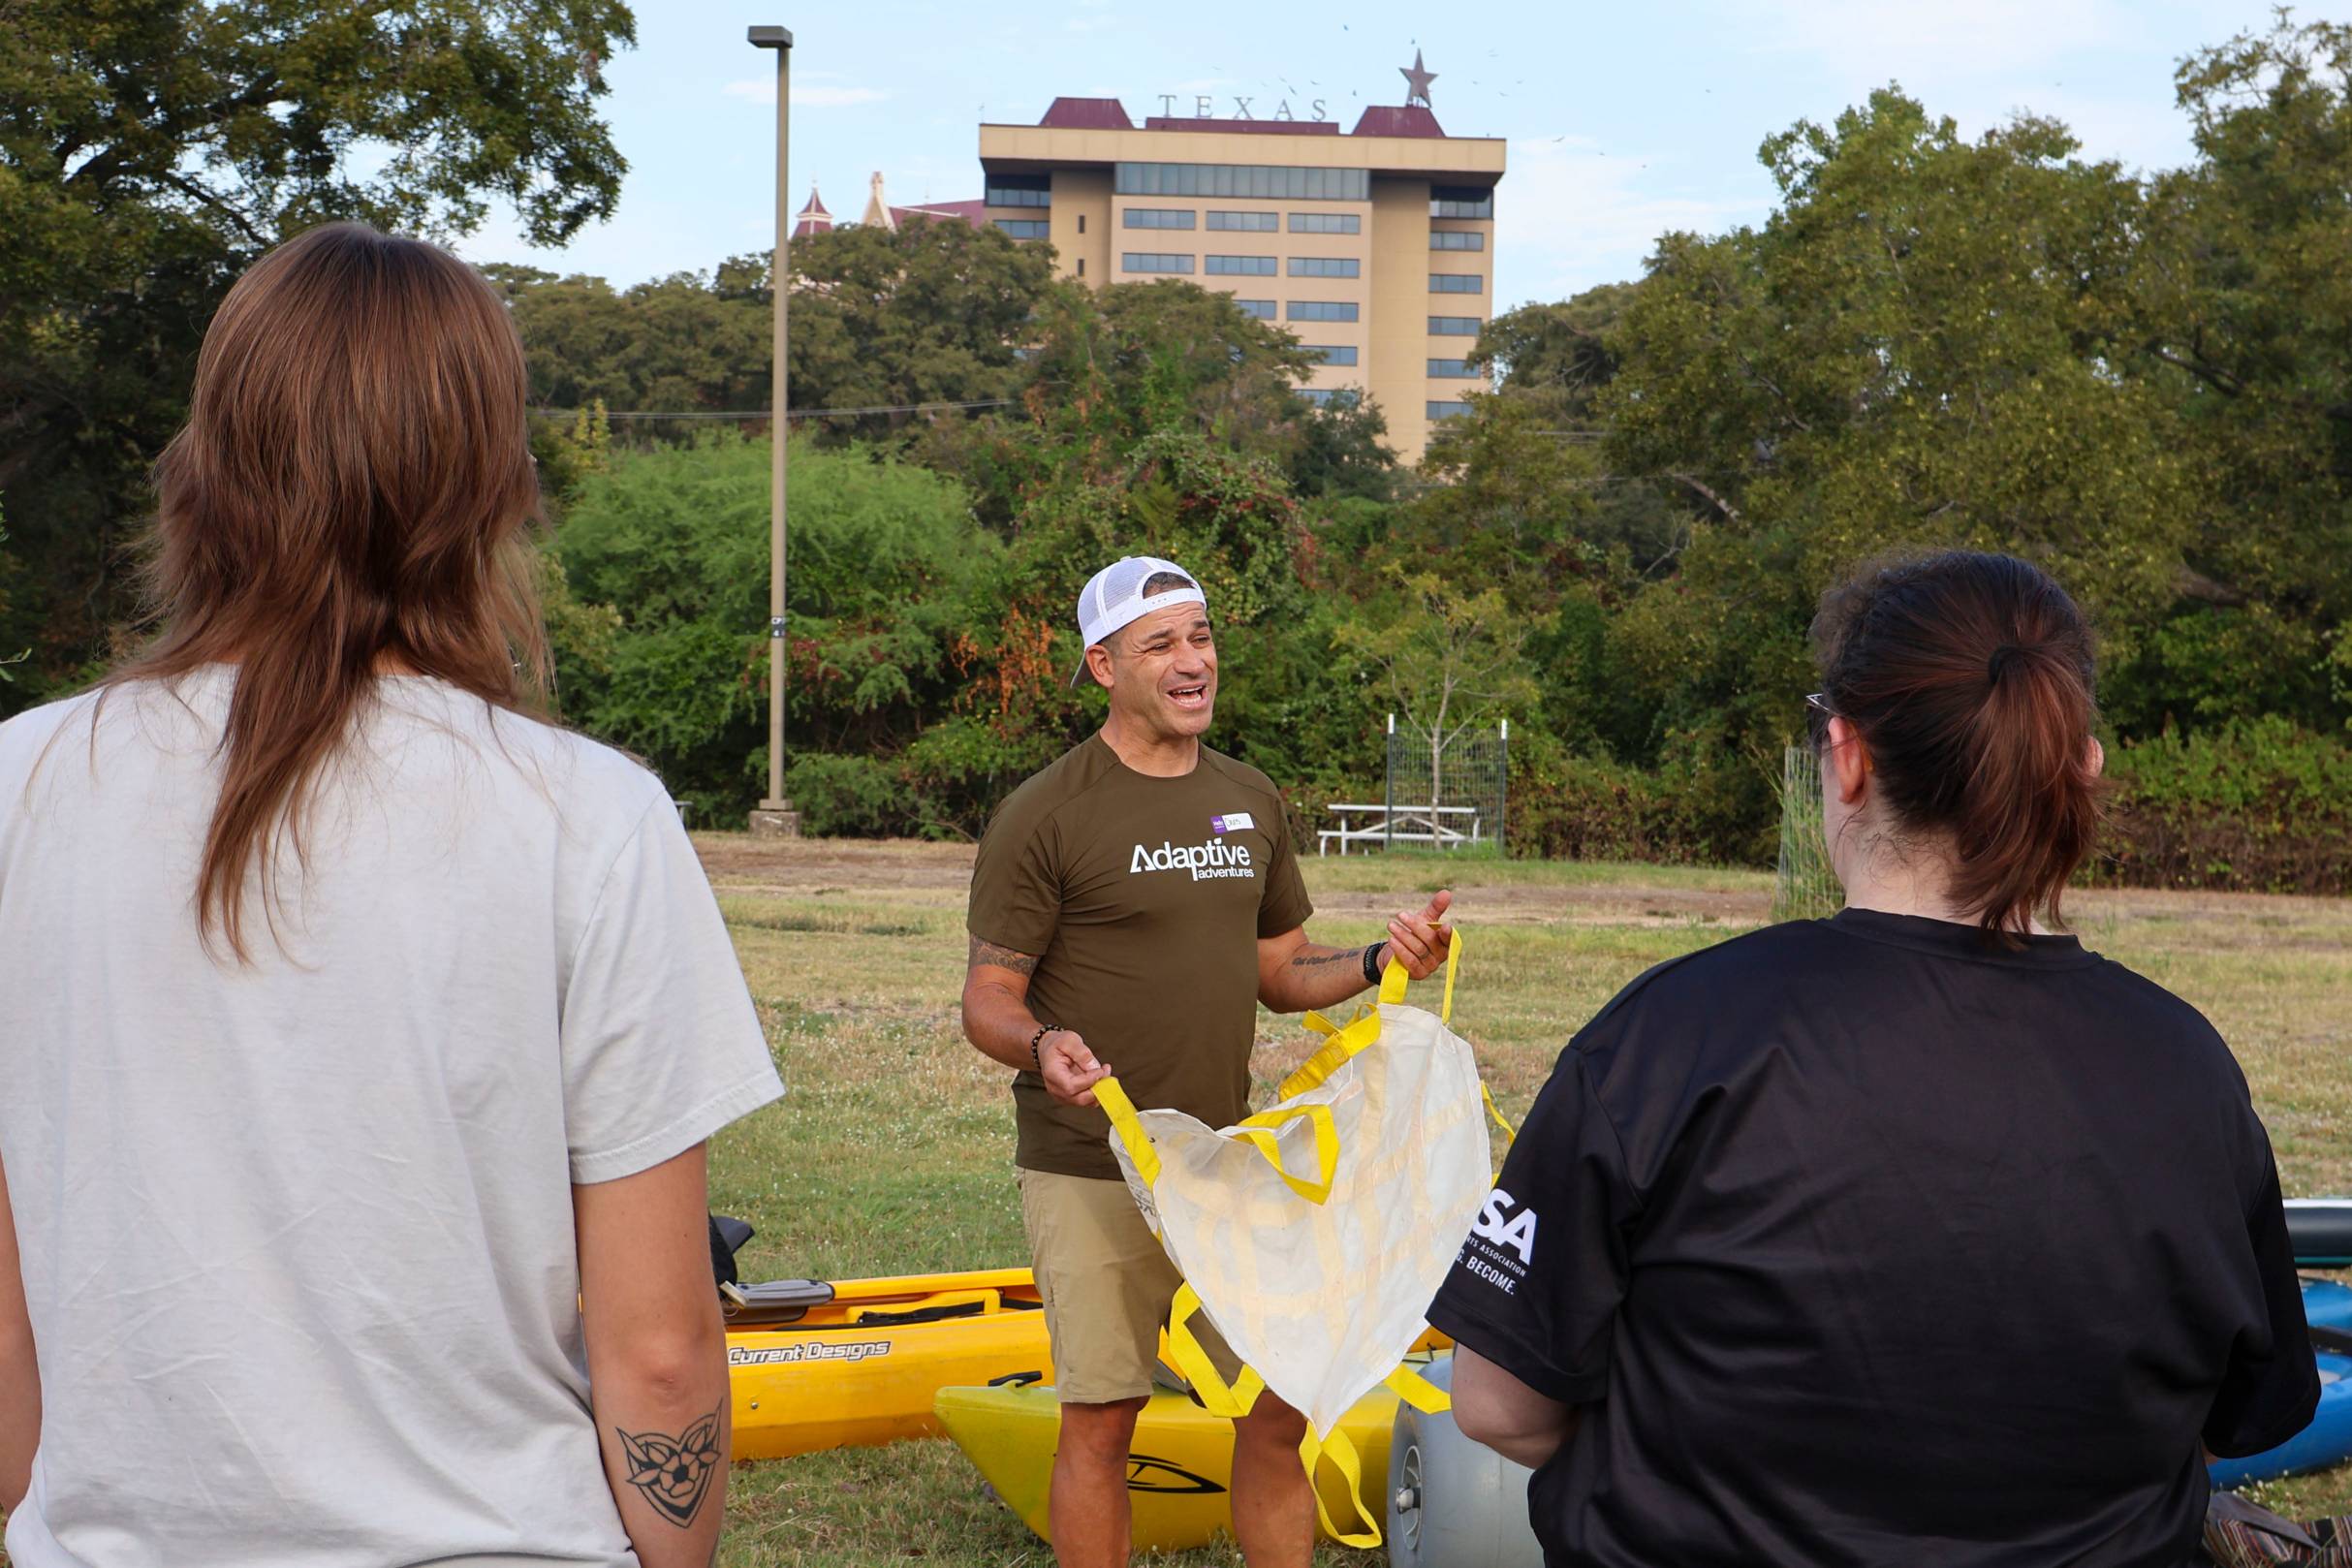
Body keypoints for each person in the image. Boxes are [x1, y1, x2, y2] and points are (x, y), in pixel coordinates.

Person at [0, 224, 783, 1567]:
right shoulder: (584, 816)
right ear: (490, 486)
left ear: (206, 465)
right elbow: (659, 1350)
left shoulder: (22, 784)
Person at [1431, 549, 2319, 1568]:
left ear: (1847, 754)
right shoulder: (2188, 1072)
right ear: (2084, 767)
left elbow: (1500, 1403)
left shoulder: (1673, 1036)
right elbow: (2240, 1411)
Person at [960, 555, 1455, 1568]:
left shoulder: (1250, 797)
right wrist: (1042, 1042)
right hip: (1093, 1161)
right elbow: (987, 998)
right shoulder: (1047, 812)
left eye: (1201, 637)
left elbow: (1281, 969)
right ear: (1102, 666)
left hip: (1225, 1162)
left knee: (1276, 1408)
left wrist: (1379, 959)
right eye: (1162, 645)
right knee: (1102, 1421)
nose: (1193, 662)